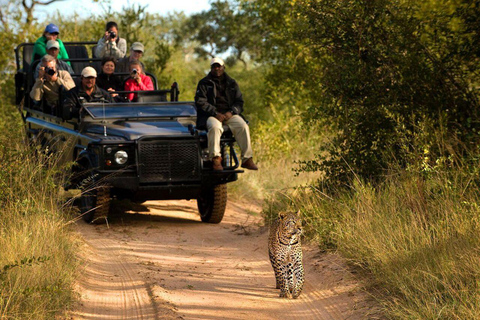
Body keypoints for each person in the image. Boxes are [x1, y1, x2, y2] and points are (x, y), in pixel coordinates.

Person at [194, 57, 258, 171]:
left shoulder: (232, 83)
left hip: (229, 114)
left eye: (219, 66)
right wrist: (215, 112)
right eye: (214, 66)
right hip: (211, 115)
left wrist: (232, 112)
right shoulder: (204, 83)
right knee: (215, 127)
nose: (216, 68)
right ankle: (216, 158)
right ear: (211, 68)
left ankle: (247, 159)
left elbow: (239, 102)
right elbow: (200, 102)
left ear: (223, 67)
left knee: (243, 126)